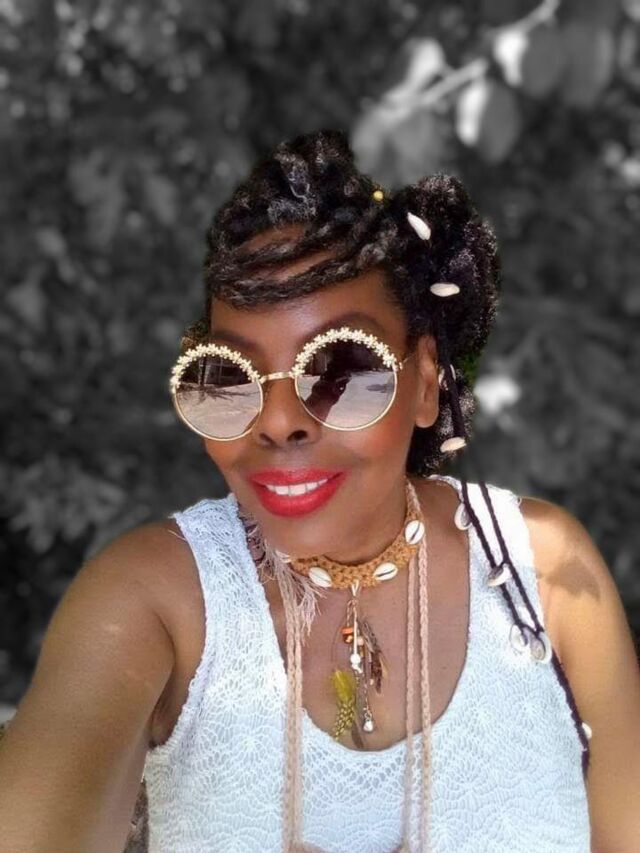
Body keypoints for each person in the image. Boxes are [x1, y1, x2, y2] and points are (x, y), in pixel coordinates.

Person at [1, 129, 638, 852]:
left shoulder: (540, 574)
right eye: (228, 378)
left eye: (341, 371)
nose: (277, 422)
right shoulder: (155, 600)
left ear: (425, 382)